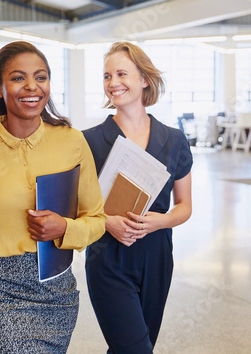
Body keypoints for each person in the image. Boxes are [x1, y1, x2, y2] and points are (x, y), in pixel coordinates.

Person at [0, 41, 106, 354]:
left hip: (57, 291)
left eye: (41, 77)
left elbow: (97, 219)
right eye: (17, 78)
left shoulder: (72, 142)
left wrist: (65, 228)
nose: (31, 87)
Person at [82, 41, 193, 353]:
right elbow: (75, 208)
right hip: (108, 257)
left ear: (144, 79)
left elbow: (185, 206)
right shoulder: (89, 142)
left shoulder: (173, 140)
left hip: (157, 256)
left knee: (136, 346)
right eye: (106, 76)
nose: (113, 83)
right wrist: (106, 222)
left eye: (121, 74)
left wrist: (162, 221)